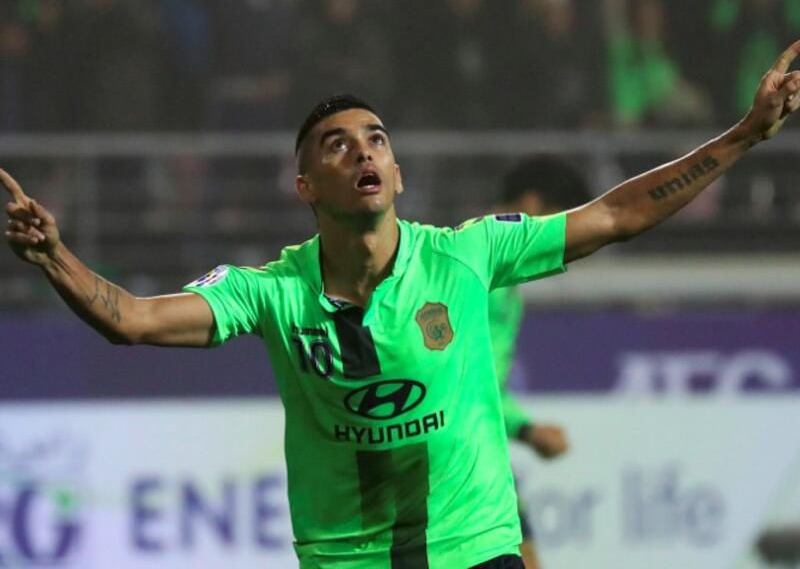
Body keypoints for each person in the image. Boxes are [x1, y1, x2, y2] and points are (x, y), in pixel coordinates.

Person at [3, 41, 800, 568]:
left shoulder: (467, 254)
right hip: (348, 557)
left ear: (399, 172)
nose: (364, 150)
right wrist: (53, 255)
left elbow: (617, 214)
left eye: (377, 138)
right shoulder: (273, 294)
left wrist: (744, 133)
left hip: (476, 547)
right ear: (305, 187)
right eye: (338, 144)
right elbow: (131, 320)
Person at [489, 155, 591, 569]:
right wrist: (528, 432)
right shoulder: (474, 272)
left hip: (480, 449)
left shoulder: (505, 284)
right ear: (532, 206)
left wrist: (525, 429)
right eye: (565, 223)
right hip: (452, 457)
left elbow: (484, 387)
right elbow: (451, 381)